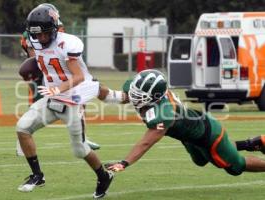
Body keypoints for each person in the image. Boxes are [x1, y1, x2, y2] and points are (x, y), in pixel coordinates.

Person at [16, 5, 118, 198]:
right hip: (51, 98)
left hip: (71, 99)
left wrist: (58, 88)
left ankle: (104, 176)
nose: (41, 39)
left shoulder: (67, 43)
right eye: (37, 35)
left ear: (54, 29)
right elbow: (40, 63)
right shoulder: (34, 41)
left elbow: (78, 76)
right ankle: (37, 175)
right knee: (22, 128)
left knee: (80, 150)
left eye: (45, 34)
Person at [105, 69, 265, 180]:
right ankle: (251, 144)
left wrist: (124, 163)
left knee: (234, 167)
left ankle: (255, 144)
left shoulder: (164, 113)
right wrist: (91, 87)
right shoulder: (148, 92)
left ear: (154, 96)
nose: (132, 97)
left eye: (138, 95)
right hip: (190, 135)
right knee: (201, 160)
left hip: (210, 135)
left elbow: (146, 142)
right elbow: (117, 96)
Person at [16, 3, 104, 155]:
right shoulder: (32, 35)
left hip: (56, 73)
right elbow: (36, 57)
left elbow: (60, 46)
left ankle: (82, 137)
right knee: (36, 107)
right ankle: (21, 142)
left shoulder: (54, 29)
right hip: (44, 74)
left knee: (78, 99)